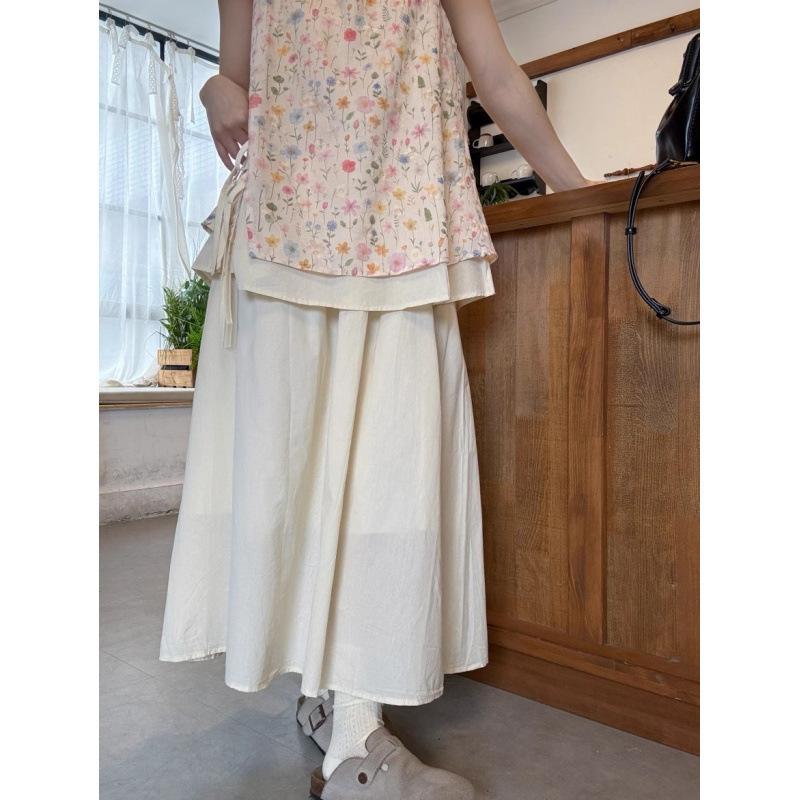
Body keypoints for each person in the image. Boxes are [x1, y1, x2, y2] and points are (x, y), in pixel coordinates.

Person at [160, 2, 592, 798]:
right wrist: (215, 91)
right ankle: (337, 714)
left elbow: (495, 73)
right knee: (292, 477)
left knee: (392, 479)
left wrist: (580, 193)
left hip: (405, 226)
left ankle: (353, 723)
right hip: (286, 229)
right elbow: (234, 74)